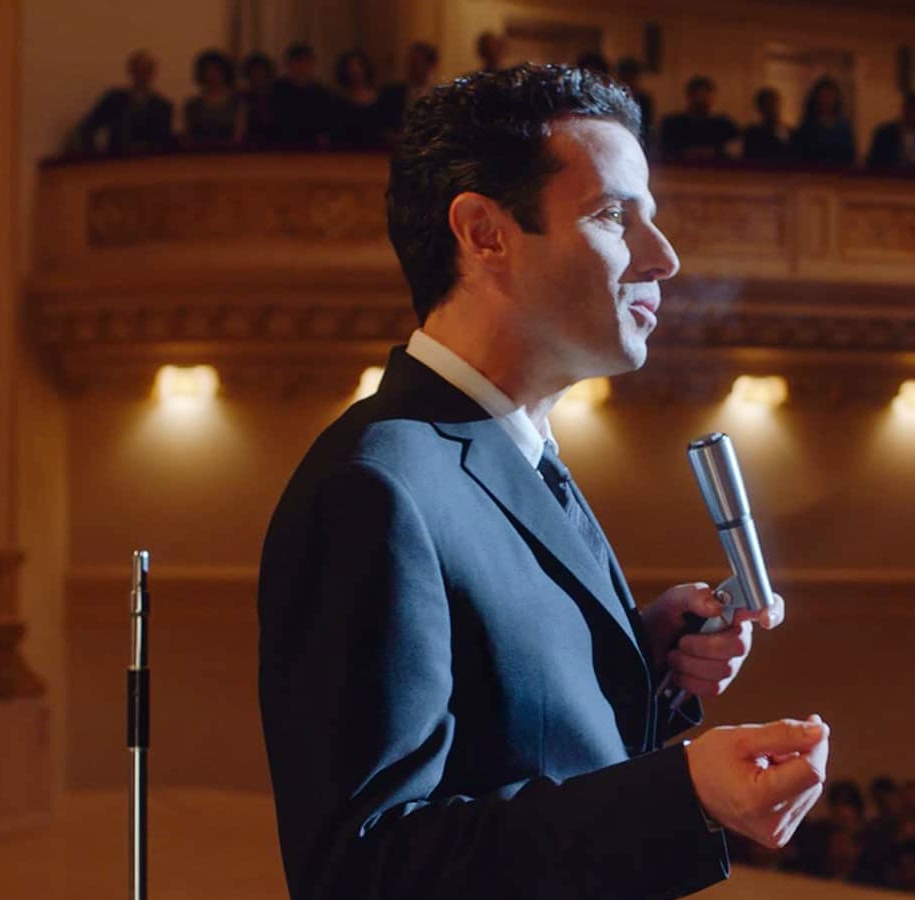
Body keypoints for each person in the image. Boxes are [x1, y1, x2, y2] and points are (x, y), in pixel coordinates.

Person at [258, 64, 830, 899]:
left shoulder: (516, 454)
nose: (663, 258)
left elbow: (522, 752)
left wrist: (641, 663)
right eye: (613, 216)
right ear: (483, 233)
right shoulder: (372, 490)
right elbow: (366, 870)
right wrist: (684, 793)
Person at [73, 49, 173, 155]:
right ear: (131, 71)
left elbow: (164, 141)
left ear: (153, 73)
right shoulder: (114, 100)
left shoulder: (163, 106)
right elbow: (89, 126)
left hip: (150, 159)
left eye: (146, 71)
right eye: (138, 71)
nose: (142, 76)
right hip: (117, 158)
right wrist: (94, 155)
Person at [660, 76, 738, 161]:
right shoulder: (673, 124)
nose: (701, 99)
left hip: (716, 168)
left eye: (705, 95)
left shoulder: (725, 125)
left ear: (712, 97)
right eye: (698, 94)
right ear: (689, 96)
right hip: (680, 167)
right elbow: (666, 150)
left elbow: (733, 151)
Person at [271, 42, 333, 147]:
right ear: (288, 64)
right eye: (296, 62)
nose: (301, 67)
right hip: (280, 146)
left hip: (313, 147)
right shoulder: (276, 90)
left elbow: (325, 125)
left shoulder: (322, 93)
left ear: (312, 64)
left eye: (305, 62)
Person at [376, 42, 439, 140]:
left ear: (429, 65)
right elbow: (381, 127)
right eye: (409, 62)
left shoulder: (438, 96)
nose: (410, 67)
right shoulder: (391, 93)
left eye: (416, 62)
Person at [866, 90, 915, 170]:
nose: (914, 114)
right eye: (912, 109)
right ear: (904, 108)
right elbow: (874, 161)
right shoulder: (885, 134)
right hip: (889, 175)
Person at [183, 49, 243, 147]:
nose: (212, 74)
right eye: (208, 70)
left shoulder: (236, 103)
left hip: (230, 152)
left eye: (217, 70)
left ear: (225, 73)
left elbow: (238, 136)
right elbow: (187, 136)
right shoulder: (192, 105)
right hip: (198, 152)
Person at [790, 77, 856, 165]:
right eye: (822, 96)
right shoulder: (807, 127)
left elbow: (849, 155)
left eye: (830, 96)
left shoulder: (843, 127)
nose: (826, 101)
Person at [331, 49, 383, 148]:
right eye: (350, 67)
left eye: (359, 65)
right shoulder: (338, 100)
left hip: (376, 150)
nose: (355, 70)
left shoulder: (380, 97)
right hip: (347, 150)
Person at [240, 53, 281, 146]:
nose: (258, 76)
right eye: (254, 72)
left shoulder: (279, 96)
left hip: (279, 145)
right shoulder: (242, 97)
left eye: (261, 71)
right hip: (249, 145)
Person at [741, 87, 791, 162]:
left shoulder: (787, 132)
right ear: (760, 108)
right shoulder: (752, 133)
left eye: (774, 104)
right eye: (768, 104)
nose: (772, 109)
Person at [615, 57, 654, 146]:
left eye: (631, 75)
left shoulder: (644, 100)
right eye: (625, 75)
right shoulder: (613, 97)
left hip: (638, 141)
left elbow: (647, 128)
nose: (628, 78)